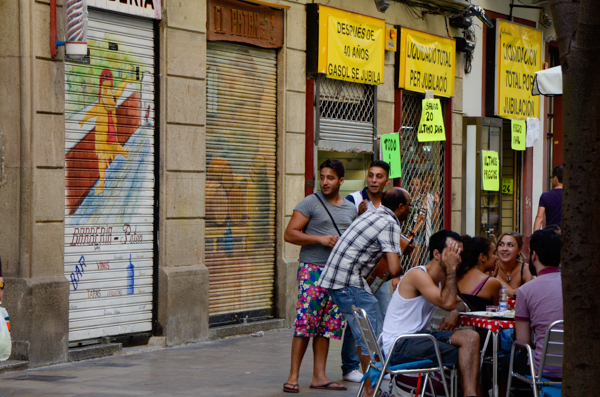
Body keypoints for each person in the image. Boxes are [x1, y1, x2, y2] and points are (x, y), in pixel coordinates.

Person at [318, 187, 413, 397]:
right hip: (348, 280)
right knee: (373, 338)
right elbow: (394, 268)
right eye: (409, 206)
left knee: (367, 336)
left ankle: (372, 390)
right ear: (400, 207)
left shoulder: (372, 213)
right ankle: (372, 391)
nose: (410, 210)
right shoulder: (390, 223)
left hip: (337, 279)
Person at [282, 159, 357, 393]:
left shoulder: (350, 209)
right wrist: (319, 239)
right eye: (322, 177)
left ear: (341, 181)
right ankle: (293, 377)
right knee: (305, 323)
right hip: (313, 270)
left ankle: (319, 376)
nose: (325, 182)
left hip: (338, 274)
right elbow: (290, 234)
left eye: (330, 178)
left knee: (327, 326)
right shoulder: (310, 203)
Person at [382, 230, 481, 397]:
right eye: (453, 253)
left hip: (419, 338)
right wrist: (451, 269)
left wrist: (455, 312)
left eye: (460, 253)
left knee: (471, 338)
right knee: (468, 357)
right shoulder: (418, 275)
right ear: (437, 254)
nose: (458, 259)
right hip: (399, 346)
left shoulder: (441, 282)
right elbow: (448, 302)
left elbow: (459, 303)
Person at [341, 160, 393, 383]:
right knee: (358, 318)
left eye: (379, 176)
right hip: (356, 270)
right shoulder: (354, 200)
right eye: (370, 175)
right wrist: (357, 217)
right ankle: (350, 365)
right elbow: (344, 233)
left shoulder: (390, 202)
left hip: (380, 271)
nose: (373, 180)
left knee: (383, 314)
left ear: (386, 180)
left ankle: (380, 364)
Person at [500, 229, 563, 393]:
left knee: (506, 361)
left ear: (534, 255)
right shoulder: (577, 287)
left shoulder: (526, 291)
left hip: (543, 369)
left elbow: (523, 342)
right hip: (578, 364)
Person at [457, 236, 501, 311]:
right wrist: (492, 279)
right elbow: (499, 312)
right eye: (494, 253)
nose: (497, 257)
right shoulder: (492, 283)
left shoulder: (458, 275)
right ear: (482, 257)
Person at [495, 231, 533, 297]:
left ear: (519, 250)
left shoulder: (526, 270)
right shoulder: (492, 267)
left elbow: (529, 295)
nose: (504, 249)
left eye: (510, 245)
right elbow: (515, 293)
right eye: (501, 244)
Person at [534, 165, 563, 231]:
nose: (551, 180)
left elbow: (539, 217)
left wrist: (535, 236)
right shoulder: (569, 196)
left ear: (555, 178)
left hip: (551, 233)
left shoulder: (545, 195)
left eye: (551, 177)